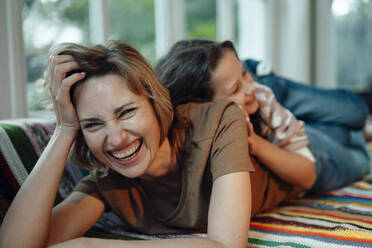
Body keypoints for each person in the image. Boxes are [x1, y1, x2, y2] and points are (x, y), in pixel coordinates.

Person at [0, 41, 306, 248]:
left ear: (155, 101)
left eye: (127, 112)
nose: (117, 139)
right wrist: (65, 129)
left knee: (339, 129)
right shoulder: (108, 183)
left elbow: (226, 245)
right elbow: (17, 244)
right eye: (92, 124)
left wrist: (88, 244)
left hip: (294, 163)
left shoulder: (220, 120)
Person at [155, 38, 370, 193]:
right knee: (351, 143)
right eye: (235, 89)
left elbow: (308, 173)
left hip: (268, 103)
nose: (249, 88)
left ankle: (260, 74)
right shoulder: (185, 129)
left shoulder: (259, 93)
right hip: (274, 124)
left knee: (357, 116)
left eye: (244, 75)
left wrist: (255, 143)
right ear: (204, 107)